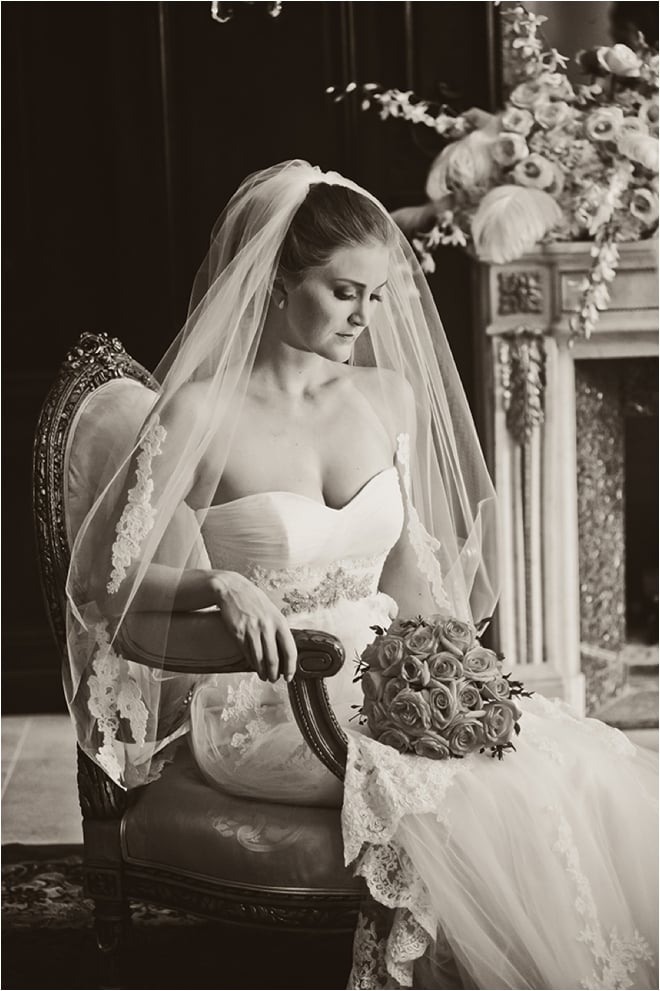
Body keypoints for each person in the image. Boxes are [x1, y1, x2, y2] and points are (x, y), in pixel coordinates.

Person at [66, 160, 658, 990]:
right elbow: (114, 590)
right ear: (276, 279)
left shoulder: (388, 397)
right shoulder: (202, 413)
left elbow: (413, 570)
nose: (365, 315)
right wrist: (219, 585)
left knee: (576, 764)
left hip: (389, 672)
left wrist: (456, 670)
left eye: (376, 296)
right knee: (463, 801)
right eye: (345, 291)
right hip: (271, 696)